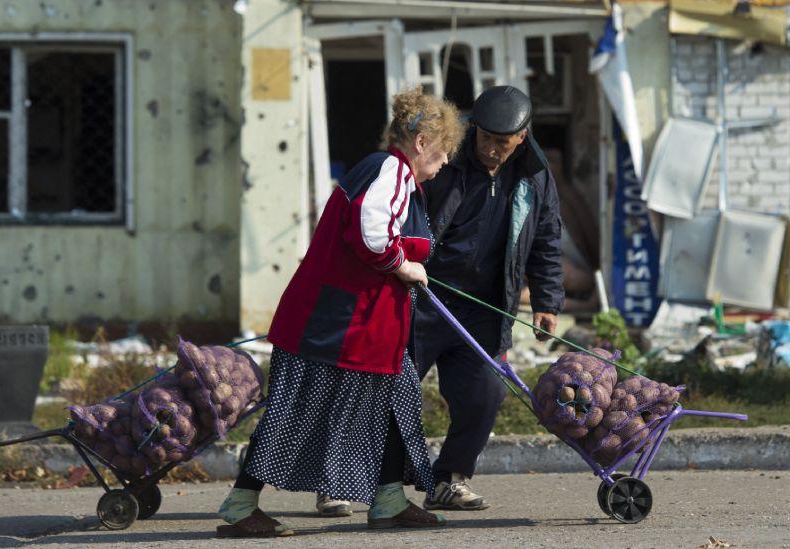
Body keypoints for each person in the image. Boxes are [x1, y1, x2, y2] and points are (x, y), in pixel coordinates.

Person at [215, 87, 465, 537]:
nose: (445, 162)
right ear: (422, 142)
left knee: (393, 408)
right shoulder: (388, 170)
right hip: (336, 328)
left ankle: (388, 500)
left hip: (367, 332)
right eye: (444, 151)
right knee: (295, 413)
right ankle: (239, 505)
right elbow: (373, 236)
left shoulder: (394, 176)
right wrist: (404, 266)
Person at [414, 85, 564, 511]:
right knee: (387, 389)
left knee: (485, 394)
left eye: (503, 142)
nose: (493, 150)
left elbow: (547, 240)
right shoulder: (445, 160)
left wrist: (546, 303)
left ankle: (450, 479)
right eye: (485, 139)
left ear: (522, 136)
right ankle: (345, 481)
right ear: (473, 129)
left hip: (487, 307)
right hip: (425, 296)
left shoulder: (534, 175)